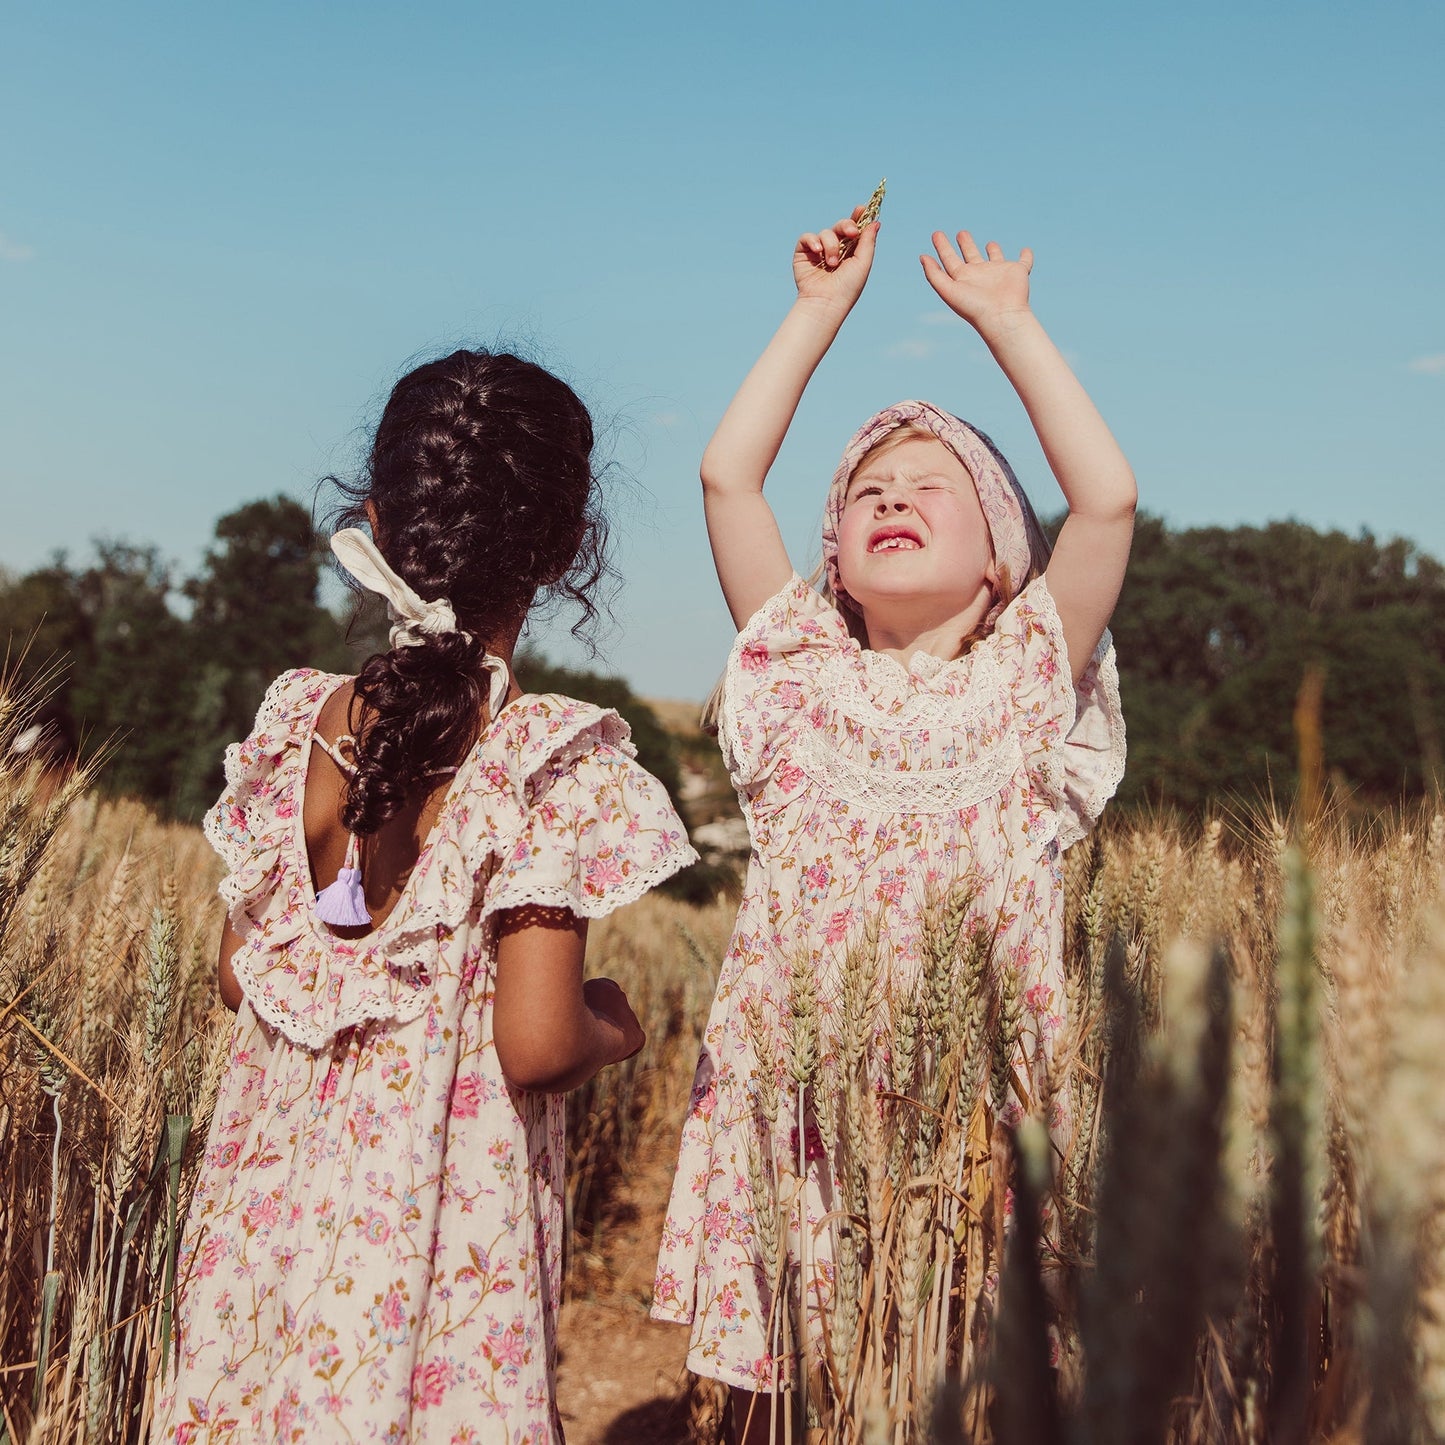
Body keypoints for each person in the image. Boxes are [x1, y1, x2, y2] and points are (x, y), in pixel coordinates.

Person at [151, 350, 697, 1444]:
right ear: (564, 548)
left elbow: (233, 970)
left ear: (375, 517)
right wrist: (614, 1024)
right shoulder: (542, 755)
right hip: (434, 1239)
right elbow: (536, 1039)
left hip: (264, 1232)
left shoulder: (295, 728)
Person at [651, 205, 1133, 1436]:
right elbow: (726, 476)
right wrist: (817, 312)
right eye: (868, 489)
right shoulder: (797, 675)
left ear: (997, 561)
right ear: (835, 555)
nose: (894, 496)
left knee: (956, 1376)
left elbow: (1106, 502)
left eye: (933, 486)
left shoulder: (1029, 674)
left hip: (972, 1096)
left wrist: (1007, 326)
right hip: (800, 1099)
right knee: (808, 1381)